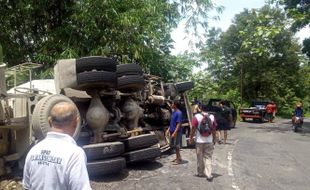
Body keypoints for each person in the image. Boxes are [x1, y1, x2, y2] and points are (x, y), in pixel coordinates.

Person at [22, 102, 92, 190]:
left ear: (49, 121)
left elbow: (27, 187)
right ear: (76, 122)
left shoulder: (33, 151)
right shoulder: (74, 154)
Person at [189, 112, 216, 181]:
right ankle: (209, 174)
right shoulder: (212, 117)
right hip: (209, 141)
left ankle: (200, 173)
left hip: (199, 141)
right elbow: (214, 129)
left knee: (200, 157)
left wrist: (191, 138)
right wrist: (214, 138)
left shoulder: (197, 116)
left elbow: (193, 128)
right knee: (208, 157)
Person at [167, 100, 183, 164]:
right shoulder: (173, 112)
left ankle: (178, 159)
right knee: (172, 144)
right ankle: (178, 157)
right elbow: (172, 122)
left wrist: (175, 132)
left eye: (172, 103)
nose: (171, 105)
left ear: (175, 105)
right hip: (172, 131)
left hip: (177, 132)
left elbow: (178, 124)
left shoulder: (179, 113)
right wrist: (168, 129)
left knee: (177, 145)